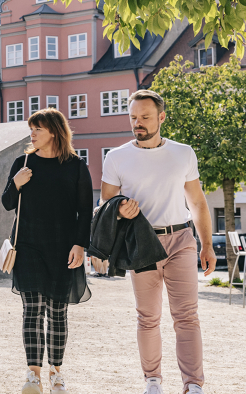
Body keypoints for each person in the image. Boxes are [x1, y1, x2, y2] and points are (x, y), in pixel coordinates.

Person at [100, 90, 215, 394]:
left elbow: (198, 203)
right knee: (148, 317)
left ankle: (193, 385)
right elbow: (106, 205)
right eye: (134, 117)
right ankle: (153, 381)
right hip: (142, 242)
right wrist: (120, 210)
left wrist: (207, 244)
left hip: (181, 240)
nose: (138, 123)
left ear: (161, 117)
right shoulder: (116, 157)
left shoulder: (183, 153)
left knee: (187, 316)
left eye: (145, 117)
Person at [0, 108, 92, 394]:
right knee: (31, 311)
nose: (33, 133)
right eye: (32, 129)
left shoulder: (76, 166)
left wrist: (80, 244)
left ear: (54, 130)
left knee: (57, 312)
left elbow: (85, 210)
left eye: (38, 128)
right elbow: (6, 203)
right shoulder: (23, 161)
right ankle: (33, 375)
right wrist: (16, 183)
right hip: (27, 245)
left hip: (62, 248)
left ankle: (56, 372)